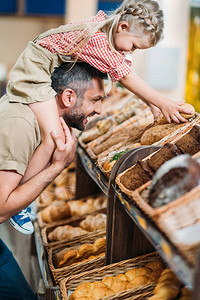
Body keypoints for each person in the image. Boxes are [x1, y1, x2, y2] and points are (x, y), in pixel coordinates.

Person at [6, 0, 193, 231]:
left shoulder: (103, 31)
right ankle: (18, 202)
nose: (131, 51)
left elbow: (124, 72)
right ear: (123, 27)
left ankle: (22, 196)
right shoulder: (97, 39)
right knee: (53, 138)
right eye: (134, 45)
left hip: (40, 69)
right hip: (34, 72)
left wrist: (153, 104)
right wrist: (165, 103)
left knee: (56, 138)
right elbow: (125, 77)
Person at [0, 61, 106, 299]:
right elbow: (1, 209)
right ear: (68, 96)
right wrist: (57, 167)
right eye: (95, 100)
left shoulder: (36, 116)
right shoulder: (22, 123)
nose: (99, 110)